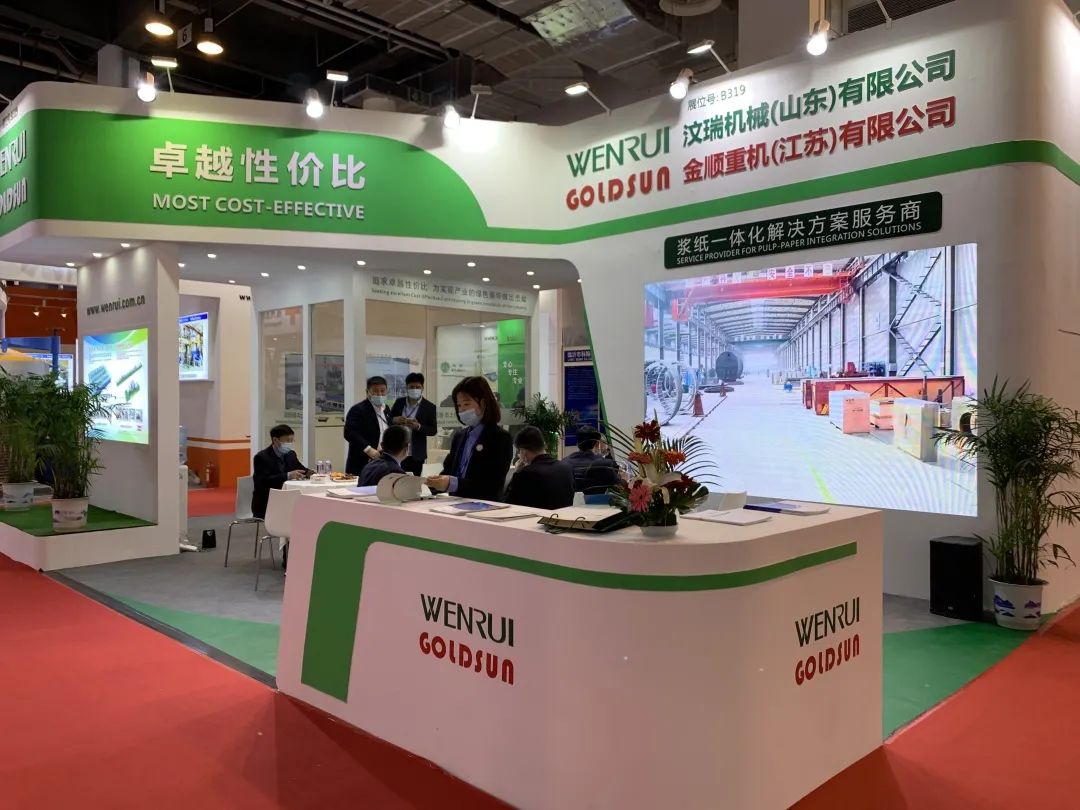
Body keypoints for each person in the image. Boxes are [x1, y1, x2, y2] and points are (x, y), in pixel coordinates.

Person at [425, 376, 513, 501]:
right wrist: (434, 483)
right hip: (454, 504)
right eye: (459, 405)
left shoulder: (500, 438)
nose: (461, 410)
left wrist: (452, 483)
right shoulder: (459, 436)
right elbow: (449, 470)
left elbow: (491, 484)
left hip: (485, 506)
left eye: (466, 404)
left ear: (483, 403)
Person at [503, 426, 575, 511]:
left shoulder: (526, 473)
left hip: (538, 518)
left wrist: (516, 473)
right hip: (565, 518)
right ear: (544, 444)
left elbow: (507, 502)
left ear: (523, 452)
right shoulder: (567, 468)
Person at [251, 424, 310, 520]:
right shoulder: (261, 457)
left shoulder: (290, 454)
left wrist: (312, 473)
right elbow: (263, 481)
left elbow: (301, 469)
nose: (290, 444)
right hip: (267, 501)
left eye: (292, 440)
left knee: (305, 512)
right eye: (287, 440)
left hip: (288, 499)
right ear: (275, 440)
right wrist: (288, 475)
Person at [388, 372, 438, 476]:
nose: (414, 389)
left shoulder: (429, 407)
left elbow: (433, 430)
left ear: (422, 388)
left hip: (416, 454)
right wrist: (394, 420)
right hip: (397, 451)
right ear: (406, 387)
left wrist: (418, 427)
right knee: (395, 480)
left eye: (417, 387)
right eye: (411, 387)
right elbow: (388, 421)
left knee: (414, 482)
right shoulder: (399, 402)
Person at [344, 376, 390, 476]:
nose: (380, 394)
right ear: (367, 392)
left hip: (383, 462)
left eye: (383, 391)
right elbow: (349, 432)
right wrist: (368, 449)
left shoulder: (386, 409)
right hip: (362, 462)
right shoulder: (358, 409)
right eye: (375, 391)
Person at [565, 426, 623, 494]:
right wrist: (624, 479)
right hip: (595, 501)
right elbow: (619, 489)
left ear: (577, 444)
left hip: (567, 501)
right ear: (597, 444)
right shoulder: (603, 464)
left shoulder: (564, 462)